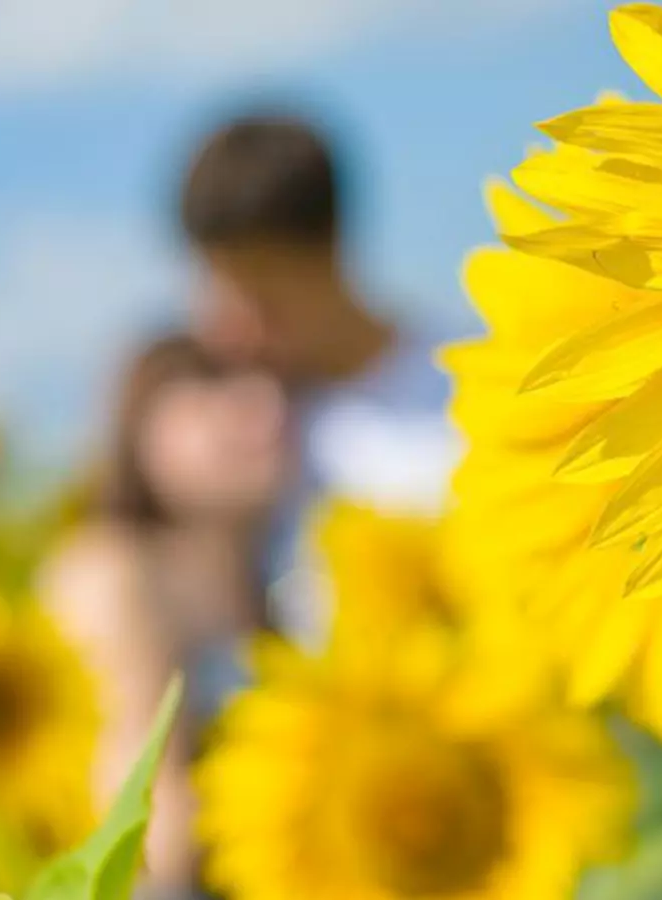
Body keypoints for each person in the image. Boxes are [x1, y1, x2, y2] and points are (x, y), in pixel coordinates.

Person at [177, 111, 460, 645]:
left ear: (329, 252)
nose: (233, 324)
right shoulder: (246, 423)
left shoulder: (463, 380)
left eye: (259, 290)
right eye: (217, 288)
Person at [41, 334, 289, 899]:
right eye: (210, 390)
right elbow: (145, 815)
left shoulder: (268, 578)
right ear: (138, 429)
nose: (263, 409)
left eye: (272, 389)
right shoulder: (114, 569)